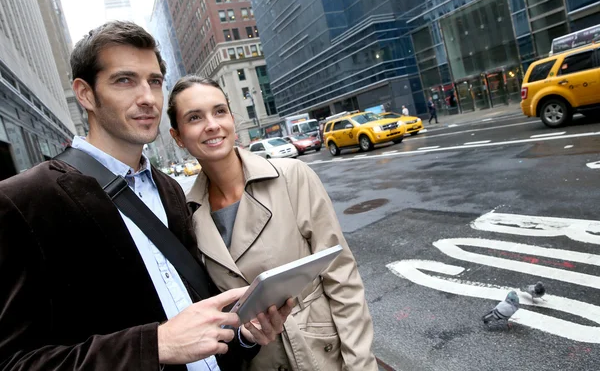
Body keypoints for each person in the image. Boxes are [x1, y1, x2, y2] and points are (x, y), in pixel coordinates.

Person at [0, 21, 292, 371]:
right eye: (124, 80)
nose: (148, 98)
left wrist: (242, 335)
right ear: (85, 93)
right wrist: (155, 345)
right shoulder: (23, 201)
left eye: (154, 81)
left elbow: (196, 320)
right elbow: (14, 361)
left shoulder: (169, 189)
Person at [167, 76, 378, 371]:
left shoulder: (292, 177)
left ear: (232, 118)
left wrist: (360, 365)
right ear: (178, 136)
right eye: (194, 118)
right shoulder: (188, 215)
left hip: (323, 355)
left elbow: (342, 277)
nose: (212, 125)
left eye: (219, 111)